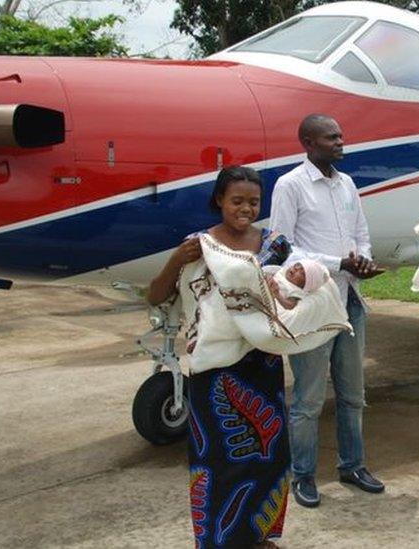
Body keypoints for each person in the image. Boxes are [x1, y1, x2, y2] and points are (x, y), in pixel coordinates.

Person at [147, 166, 291, 549]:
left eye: (253, 202)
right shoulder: (198, 246)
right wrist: (177, 259)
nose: (245, 208)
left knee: (269, 457)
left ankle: (258, 536)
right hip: (213, 372)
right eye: (237, 201)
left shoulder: (275, 244)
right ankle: (217, 541)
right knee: (217, 464)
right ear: (219, 201)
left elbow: (295, 292)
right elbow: (156, 295)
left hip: (263, 366)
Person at [269, 113, 385, 508]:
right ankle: (302, 475)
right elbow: (282, 248)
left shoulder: (347, 184)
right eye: (331, 137)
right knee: (308, 400)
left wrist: (363, 261)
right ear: (308, 143)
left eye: (340, 135)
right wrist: (339, 264)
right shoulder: (290, 185)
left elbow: (361, 235)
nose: (340, 141)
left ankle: (352, 466)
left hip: (350, 300)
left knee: (354, 394)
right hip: (315, 305)